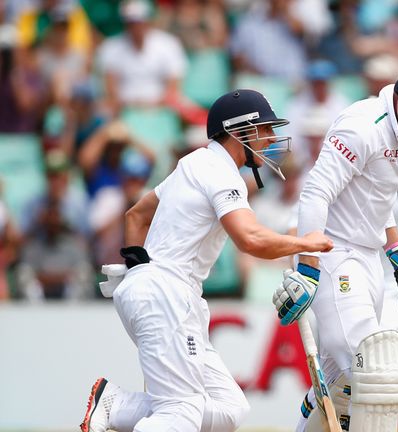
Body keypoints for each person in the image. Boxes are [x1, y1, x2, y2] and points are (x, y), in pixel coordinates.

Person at [79, 89, 333, 432]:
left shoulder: (195, 162)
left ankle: (119, 405)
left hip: (163, 293)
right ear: (239, 131)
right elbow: (250, 239)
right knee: (180, 412)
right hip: (166, 294)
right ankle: (122, 406)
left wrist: (139, 271)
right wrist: (305, 244)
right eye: (265, 130)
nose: (272, 138)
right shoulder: (220, 172)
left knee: (228, 408)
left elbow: (136, 216)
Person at [272, 58, 398, 432]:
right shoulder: (362, 126)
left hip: (366, 263)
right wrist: (308, 269)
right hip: (335, 256)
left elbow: (379, 204)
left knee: (338, 385)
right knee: (374, 371)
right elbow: (315, 193)